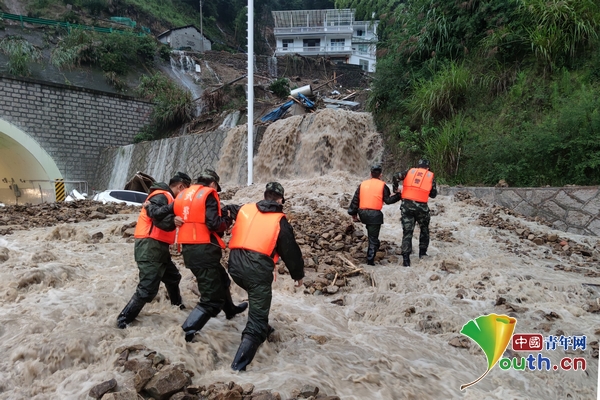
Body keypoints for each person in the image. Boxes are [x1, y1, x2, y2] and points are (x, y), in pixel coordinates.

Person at [228, 182, 304, 371]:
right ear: (280, 200)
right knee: (256, 322)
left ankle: (264, 326)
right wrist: (298, 275)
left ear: (264, 196)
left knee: (257, 299)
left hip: (234, 267)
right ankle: (237, 369)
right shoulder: (280, 221)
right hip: (256, 271)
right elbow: (291, 252)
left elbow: (227, 209)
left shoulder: (245, 209)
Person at [173, 169, 248, 342]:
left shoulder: (184, 194)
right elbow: (214, 223)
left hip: (189, 249)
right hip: (203, 251)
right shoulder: (209, 194)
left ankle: (230, 310)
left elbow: (171, 211)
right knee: (211, 300)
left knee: (222, 280)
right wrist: (228, 219)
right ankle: (186, 332)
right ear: (213, 184)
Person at [117, 172, 192, 329]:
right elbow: (154, 215)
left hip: (158, 247)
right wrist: (173, 219)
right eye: (186, 191)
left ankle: (177, 306)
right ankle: (123, 320)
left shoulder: (165, 196)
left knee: (173, 277)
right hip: (149, 246)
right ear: (181, 187)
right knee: (148, 288)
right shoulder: (162, 195)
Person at [347, 164, 401, 265]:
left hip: (362, 214)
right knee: (373, 238)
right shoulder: (382, 185)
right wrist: (399, 195)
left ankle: (375, 246)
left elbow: (355, 200)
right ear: (381, 175)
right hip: (374, 216)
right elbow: (388, 200)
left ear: (370, 174)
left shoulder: (362, 184)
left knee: (372, 234)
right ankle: (370, 261)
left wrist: (353, 214)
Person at [393, 159, 437, 267]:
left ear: (418, 166)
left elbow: (395, 176)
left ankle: (406, 259)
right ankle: (422, 254)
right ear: (427, 168)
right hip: (421, 208)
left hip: (407, 206)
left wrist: (395, 189)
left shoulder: (409, 172)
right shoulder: (429, 176)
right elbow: (433, 194)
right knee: (424, 229)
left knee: (408, 232)